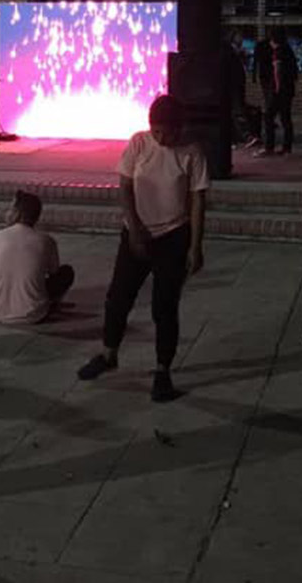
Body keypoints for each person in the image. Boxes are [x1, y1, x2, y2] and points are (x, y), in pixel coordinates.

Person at [76, 95, 208, 402]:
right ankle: (109, 353)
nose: (162, 138)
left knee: (164, 306)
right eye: (157, 131)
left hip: (174, 235)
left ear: (180, 128)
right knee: (118, 296)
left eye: (168, 133)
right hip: (137, 232)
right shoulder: (139, 144)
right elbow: (124, 187)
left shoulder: (192, 152)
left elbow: (199, 201)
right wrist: (134, 229)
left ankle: (163, 370)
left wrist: (195, 246)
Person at [0, 191, 75, 325]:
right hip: (34, 315)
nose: (7, 212)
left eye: (11, 209)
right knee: (66, 272)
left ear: (18, 213)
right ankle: (50, 304)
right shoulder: (46, 240)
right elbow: (54, 272)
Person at [253, 27, 299, 156]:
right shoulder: (287, 50)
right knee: (285, 118)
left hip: (278, 91)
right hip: (286, 90)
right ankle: (286, 147)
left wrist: (275, 90)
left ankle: (270, 147)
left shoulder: (279, 52)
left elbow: (278, 72)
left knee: (269, 117)